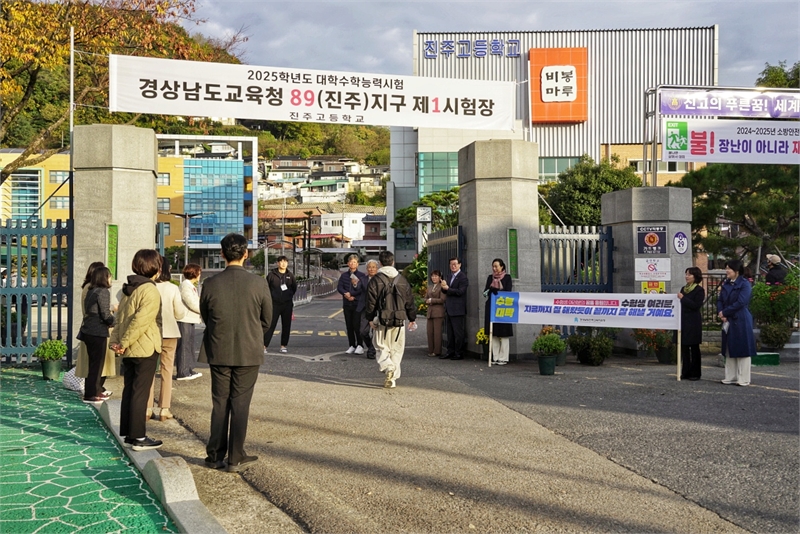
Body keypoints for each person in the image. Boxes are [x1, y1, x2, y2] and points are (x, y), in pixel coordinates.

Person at [199, 233, 272, 473]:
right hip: (248, 350)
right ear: (246, 254)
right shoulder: (258, 283)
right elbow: (267, 319)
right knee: (240, 403)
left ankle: (214, 455)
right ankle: (236, 456)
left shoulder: (210, 283)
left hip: (218, 348)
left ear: (222, 254)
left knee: (220, 402)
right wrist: (252, 333)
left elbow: (206, 316)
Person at [109, 249, 164, 452]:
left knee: (130, 390)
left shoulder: (129, 288)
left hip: (130, 349)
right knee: (140, 392)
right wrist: (123, 342)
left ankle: (130, 435)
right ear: (155, 267)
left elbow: (121, 319)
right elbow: (141, 321)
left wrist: (117, 342)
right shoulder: (149, 290)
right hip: (145, 347)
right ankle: (139, 437)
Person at [365, 250, 416, 388]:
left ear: (380, 263)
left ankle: (388, 366)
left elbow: (370, 302)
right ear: (392, 262)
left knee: (381, 346)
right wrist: (412, 318)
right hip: (399, 320)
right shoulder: (402, 280)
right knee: (397, 349)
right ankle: (392, 379)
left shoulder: (375, 280)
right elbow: (409, 301)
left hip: (382, 319)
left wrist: (370, 318)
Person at [148, 259, 187, 421]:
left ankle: (147, 408)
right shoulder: (172, 288)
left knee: (148, 370)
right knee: (167, 370)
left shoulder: (148, 286)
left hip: (150, 333)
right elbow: (179, 313)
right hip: (170, 333)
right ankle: (164, 409)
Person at [76, 262, 116, 396]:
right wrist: (116, 322)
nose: (110, 278)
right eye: (109, 276)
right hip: (98, 331)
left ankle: (91, 392)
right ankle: (93, 393)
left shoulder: (90, 290)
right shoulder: (103, 292)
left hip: (88, 331)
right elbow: (105, 314)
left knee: (93, 365)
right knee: (97, 365)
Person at [717, 259, 757, 387]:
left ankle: (744, 378)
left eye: (729, 268)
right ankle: (730, 376)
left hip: (741, 319)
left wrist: (725, 312)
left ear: (737, 271)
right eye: (726, 268)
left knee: (742, 348)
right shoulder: (726, 283)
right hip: (728, 318)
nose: (726, 271)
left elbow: (741, 302)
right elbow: (720, 300)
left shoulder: (745, 284)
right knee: (729, 348)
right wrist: (721, 313)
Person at [264, 255, 298, 353]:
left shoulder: (290, 275)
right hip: (274, 304)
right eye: (281, 262)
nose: (283, 264)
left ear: (287, 263)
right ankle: (264, 346)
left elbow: (294, 288)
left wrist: (288, 296)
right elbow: (266, 288)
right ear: (277, 263)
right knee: (270, 325)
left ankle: (283, 346)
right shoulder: (271, 275)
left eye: (285, 262)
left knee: (286, 325)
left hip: (287, 304)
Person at [176, 263, 203, 381]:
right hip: (184, 319)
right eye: (199, 272)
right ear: (194, 273)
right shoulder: (185, 285)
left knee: (189, 345)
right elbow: (191, 302)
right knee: (184, 346)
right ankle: (183, 372)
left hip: (189, 319)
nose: (200, 275)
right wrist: (203, 309)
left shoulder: (190, 285)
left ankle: (189, 369)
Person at [484, 258, 513, 365]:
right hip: (492, 307)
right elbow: (485, 292)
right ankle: (495, 357)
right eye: (493, 266)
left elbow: (508, 291)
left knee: (504, 334)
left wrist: (499, 291)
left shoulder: (507, 277)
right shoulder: (490, 278)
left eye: (496, 266)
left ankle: (504, 358)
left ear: (502, 267)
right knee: (494, 333)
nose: (494, 268)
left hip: (503, 307)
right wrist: (490, 290)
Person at [678, 266, 705, 381]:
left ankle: (695, 373)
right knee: (684, 348)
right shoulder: (683, 289)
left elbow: (696, 305)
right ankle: (685, 372)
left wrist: (683, 298)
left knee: (694, 348)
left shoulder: (699, 290)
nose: (687, 276)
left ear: (695, 276)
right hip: (683, 321)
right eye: (686, 274)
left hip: (693, 322)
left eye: (689, 274)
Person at [337, 254, 367, 354]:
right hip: (347, 304)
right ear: (348, 263)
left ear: (357, 264)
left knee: (357, 325)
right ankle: (351, 345)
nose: (352, 264)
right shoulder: (344, 275)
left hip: (357, 304)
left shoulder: (362, 276)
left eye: (354, 262)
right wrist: (345, 294)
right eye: (351, 262)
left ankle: (360, 345)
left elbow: (363, 289)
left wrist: (353, 295)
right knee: (349, 325)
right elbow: (339, 287)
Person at [441, 257, 468, 360]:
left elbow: (460, 292)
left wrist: (448, 289)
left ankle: (459, 352)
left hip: (458, 309)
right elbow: (446, 291)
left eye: (455, 264)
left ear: (459, 265)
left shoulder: (463, 277)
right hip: (449, 308)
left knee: (458, 333)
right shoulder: (449, 276)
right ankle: (450, 351)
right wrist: (443, 287)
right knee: (450, 333)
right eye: (451, 264)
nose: (453, 266)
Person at [358, 259, 380, 359]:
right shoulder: (363, 279)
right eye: (369, 267)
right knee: (363, 331)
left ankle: (372, 351)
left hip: (378, 308)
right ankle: (371, 346)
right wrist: (355, 284)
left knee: (377, 331)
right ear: (366, 269)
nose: (371, 269)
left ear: (377, 268)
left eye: (373, 267)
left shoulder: (381, 279)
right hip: (365, 308)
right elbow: (357, 289)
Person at [425, 270, 446, 357]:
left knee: (437, 332)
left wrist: (432, 300)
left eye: (436, 276)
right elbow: (425, 298)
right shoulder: (430, 287)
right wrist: (426, 300)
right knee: (429, 332)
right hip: (430, 312)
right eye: (433, 276)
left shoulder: (442, 286)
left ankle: (437, 351)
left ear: (440, 277)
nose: (434, 278)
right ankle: (430, 350)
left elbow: (442, 299)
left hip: (438, 312)